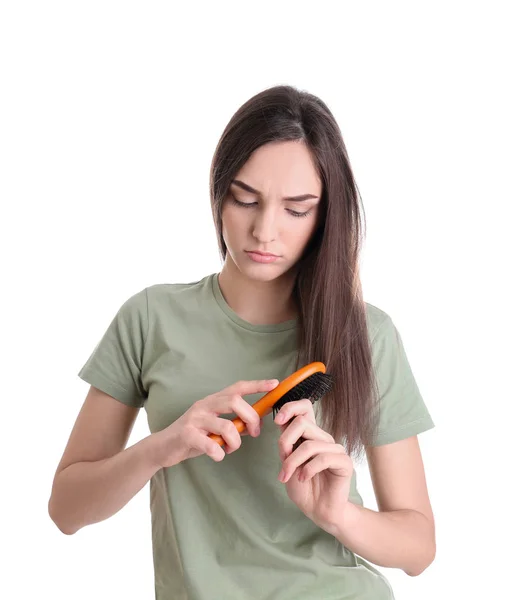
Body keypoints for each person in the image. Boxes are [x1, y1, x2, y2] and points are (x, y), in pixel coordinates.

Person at [48, 85, 436, 600]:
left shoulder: (366, 335)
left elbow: (419, 548)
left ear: (325, 217)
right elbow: (66, 510)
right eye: (245, 199)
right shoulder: (149, 318)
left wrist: (337, 514)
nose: (264, 230)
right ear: (218, 192)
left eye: (297, 210)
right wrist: (163, 447)